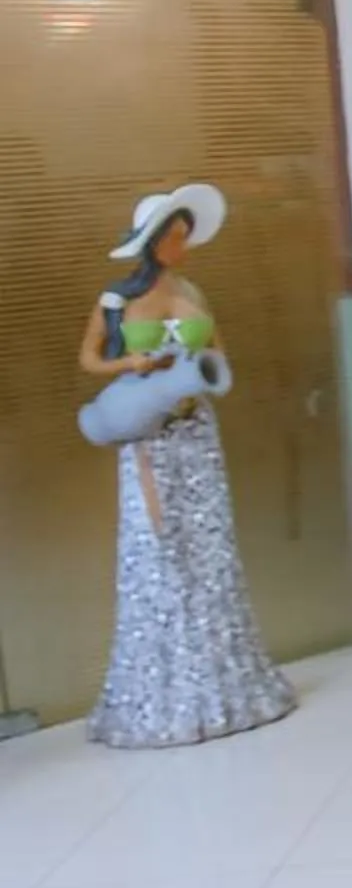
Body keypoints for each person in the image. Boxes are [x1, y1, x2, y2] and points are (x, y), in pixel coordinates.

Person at [72, 182, 295, 747]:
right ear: (152, 243)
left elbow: (219, 349)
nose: (183, 247)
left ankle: (227, 682)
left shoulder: (192, 290)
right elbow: (89, 358)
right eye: (174, 238)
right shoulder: (116, 301)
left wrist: (201, 365)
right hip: (149, 434)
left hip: (196, 432)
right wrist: (133, 361)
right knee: (160, 551)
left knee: (210, 549)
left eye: (185, 237)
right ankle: (162, 693)